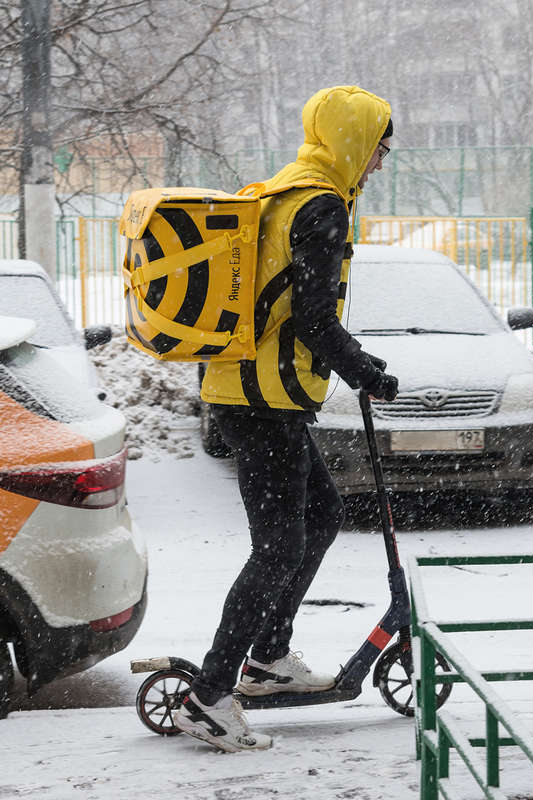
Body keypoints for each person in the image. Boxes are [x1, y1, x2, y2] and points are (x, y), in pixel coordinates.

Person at [172, 86, 398, 753]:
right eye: (380, 147)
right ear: (355, 141)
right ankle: (210, 696)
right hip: (261, 398)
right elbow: (313, 318)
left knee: (319, 519)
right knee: (277, 548)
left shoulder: (282, 190)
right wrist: (367, 372)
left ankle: (269, 655)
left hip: (250, 391)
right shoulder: (321, 205)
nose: (380, 162)